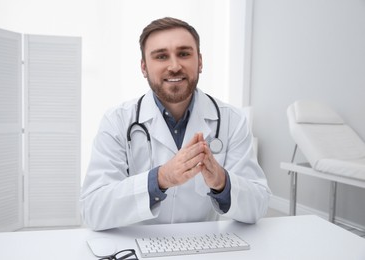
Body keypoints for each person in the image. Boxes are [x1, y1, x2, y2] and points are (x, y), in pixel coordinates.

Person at [80, 17, 271, 231]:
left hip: (203, 246)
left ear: (200, 62)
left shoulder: (232, 120)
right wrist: (160, 178)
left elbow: (258, 205)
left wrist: (222, 182)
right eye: (161, 56)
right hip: (137, 244)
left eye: (184, 54)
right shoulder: (117, 121)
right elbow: (93, 209)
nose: (174, 66)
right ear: (144, 67)